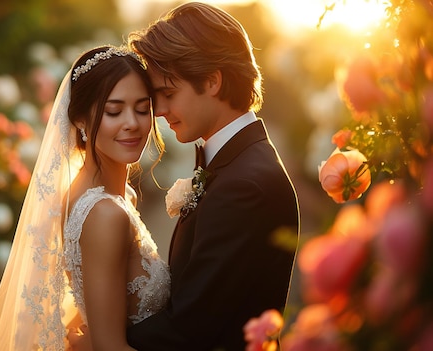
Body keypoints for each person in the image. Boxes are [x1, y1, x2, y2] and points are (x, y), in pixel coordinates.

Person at [70, 2, 300, 350]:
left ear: (212, 80)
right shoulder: (230, 164)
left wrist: (101, 342)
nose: (159, 112)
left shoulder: (245, 184)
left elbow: (192, 327)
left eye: (167, 94)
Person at [0, 45, 171, 351]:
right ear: (80, 120)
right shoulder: (105, 213)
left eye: (141, 108)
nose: (132, 123)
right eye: (113, 111)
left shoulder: (100, 197)